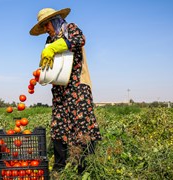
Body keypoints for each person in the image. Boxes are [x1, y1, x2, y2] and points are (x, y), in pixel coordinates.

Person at [29, 8, 102, 174]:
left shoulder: (71, 28)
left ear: (54, 20)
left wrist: (54, 47)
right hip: (60, 89)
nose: (46, 29)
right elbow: (52, 64)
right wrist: (43, 74)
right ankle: (59, 167)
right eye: (43, 26)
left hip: (78, 85)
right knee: (58, 125)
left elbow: (79, 40)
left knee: (82, 123)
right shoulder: (49, 40)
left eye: (46, 24)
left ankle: (84, 168)